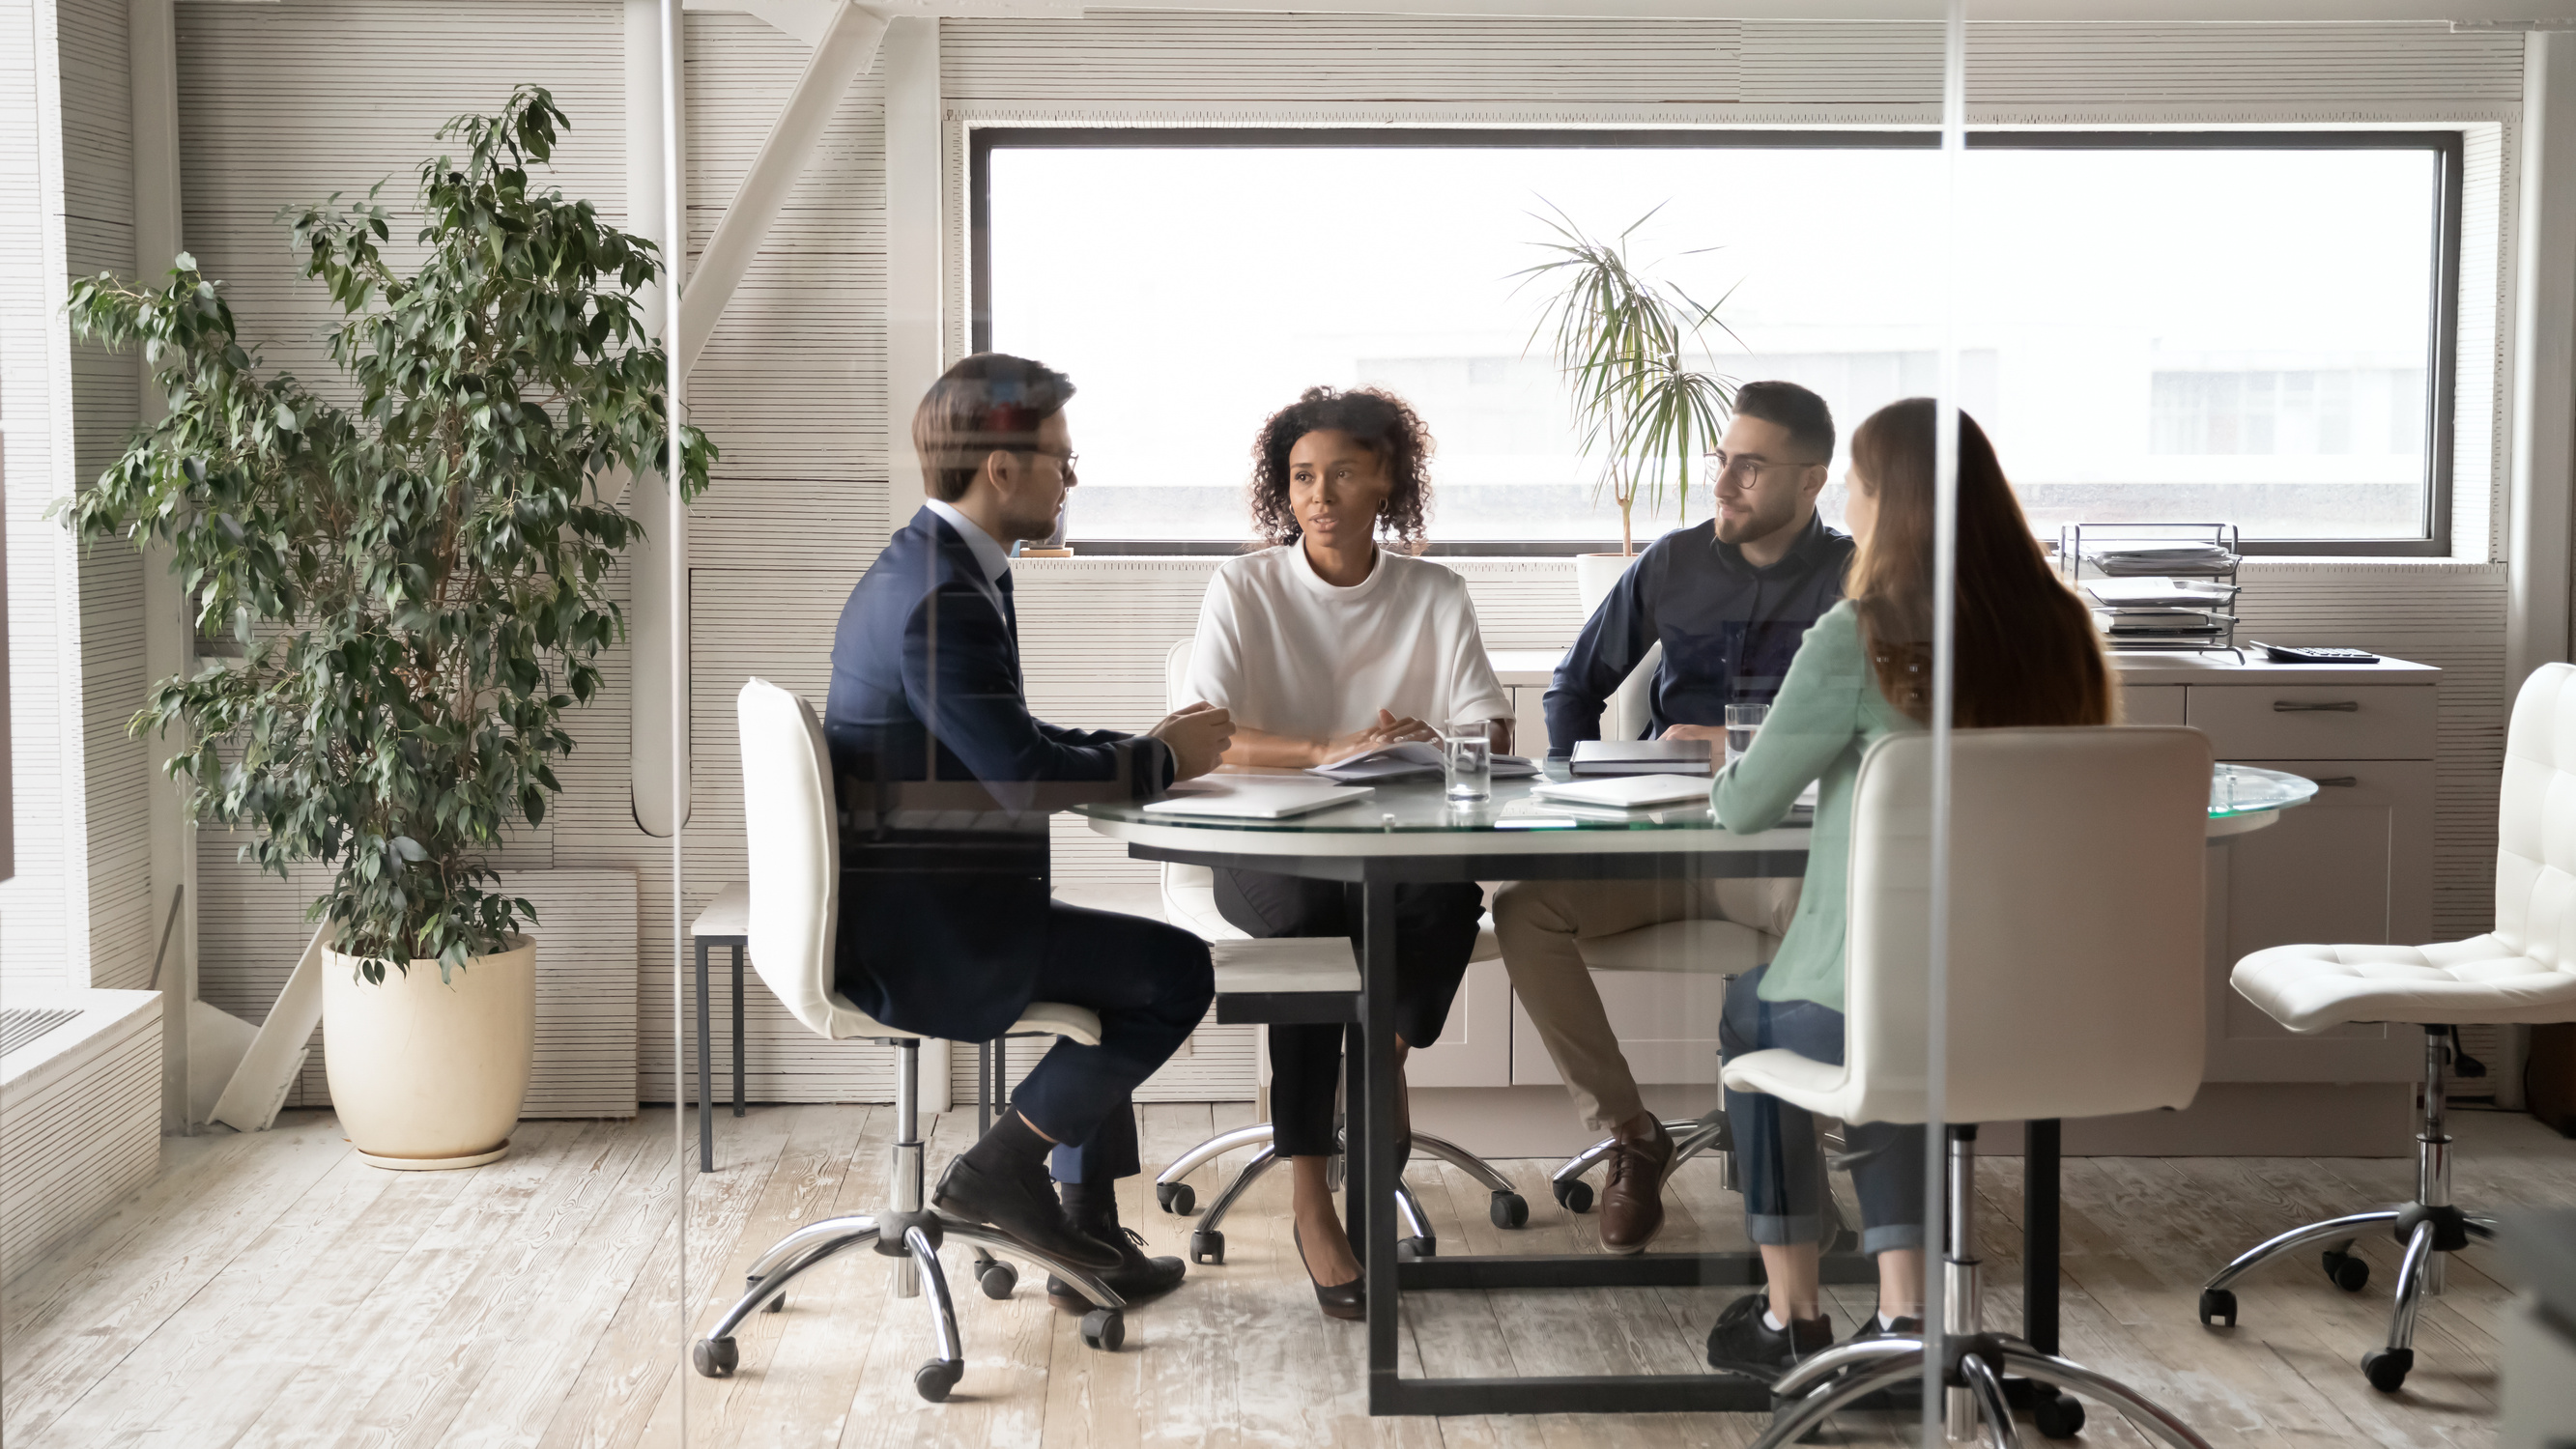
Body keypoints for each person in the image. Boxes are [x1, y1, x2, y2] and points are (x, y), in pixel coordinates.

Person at [1699, 397, 2114, 1380]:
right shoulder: (2063, 627)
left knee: (1767, 1011)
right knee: (1898, 1020)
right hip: (2037, 1002)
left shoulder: (1859, 636)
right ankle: (1903, 1315)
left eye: (1857, 483)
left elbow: (1745, 807)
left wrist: (1727, 758)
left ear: (1888, 502)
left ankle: (1791, 1313)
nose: (1848, 500)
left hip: (1890, 1004)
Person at [825, 353, 1236, 1314]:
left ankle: (1084, 1234)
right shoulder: (942, 600)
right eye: (1060, 456)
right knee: (1174, 973)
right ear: (1001, 467)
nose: (1072, 476)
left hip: (930, 907)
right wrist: (1158, 763)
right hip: (930, 938)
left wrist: (1140, 749)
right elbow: (1019, 776)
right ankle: (1000, 1172)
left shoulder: (936, 569)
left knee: (1123, 968)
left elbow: (1006, 741)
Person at [1492, 380, 1849, 1254]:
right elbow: (1573, 688)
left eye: (1750, 468)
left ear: (1812, 480)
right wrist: (1579, 788)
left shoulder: (1856, 579)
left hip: (1775, 854)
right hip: (1659, 839)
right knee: (1524, 910)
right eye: (1721, 460)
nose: (1722, 484)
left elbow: (1878, 726)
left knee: (1826, 924)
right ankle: (1630, 1134)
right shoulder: (1671, 563)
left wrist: (1743, 746)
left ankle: (1788, 1172)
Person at [1184, 385, 1512, 1321]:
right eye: (1300, 478)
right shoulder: (1244, 589)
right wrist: (1330, 748)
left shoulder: (1434, 594)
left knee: (1446, 895)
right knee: (1310, 932)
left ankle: (1383, 1057)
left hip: (1393, 845)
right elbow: (1205, 736)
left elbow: (1491, 729)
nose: (1318, 496)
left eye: (1340, 474)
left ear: (1386, 482)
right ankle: (1308, 1196)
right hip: (1265, 849)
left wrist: (1433, 739)